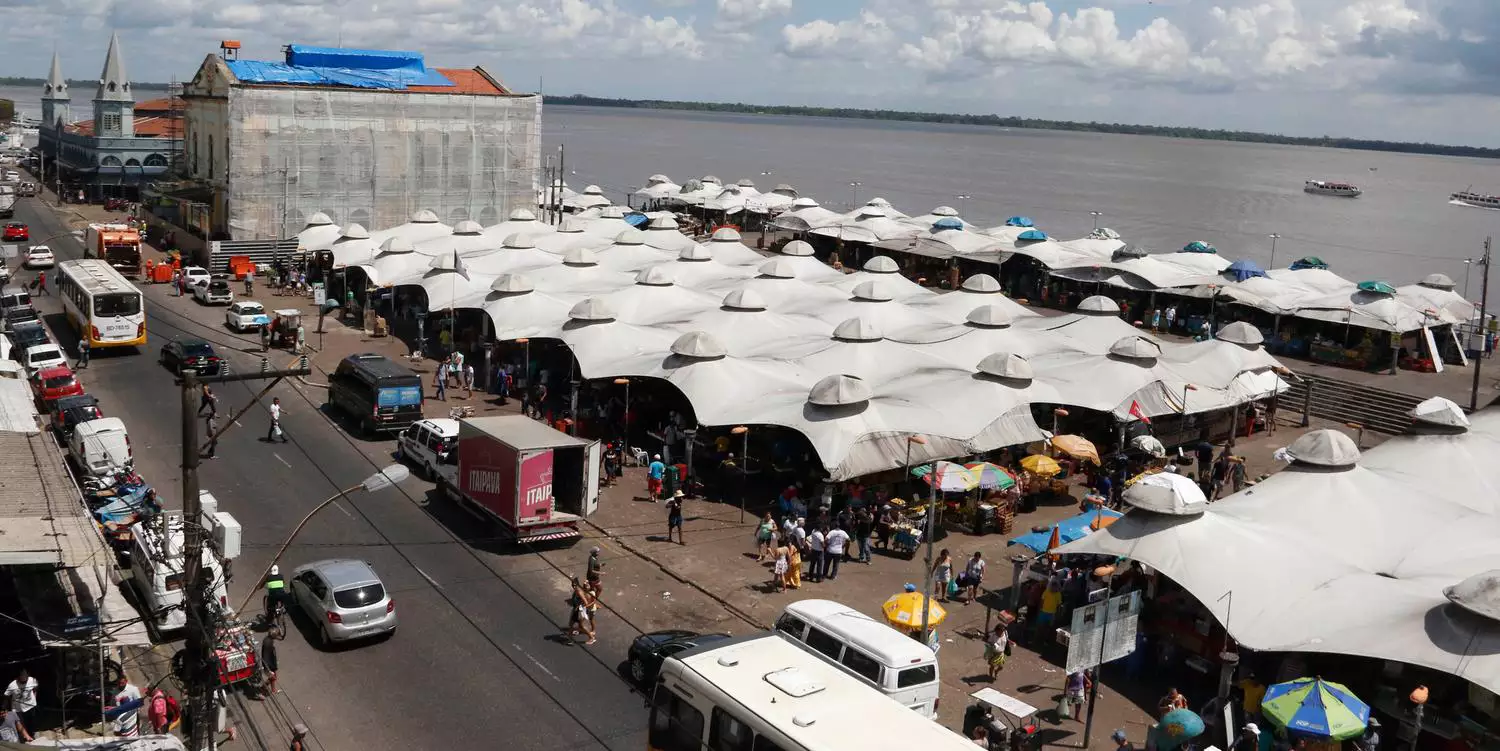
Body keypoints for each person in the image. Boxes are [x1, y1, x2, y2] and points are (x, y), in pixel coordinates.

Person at [4, 669, 38, 734]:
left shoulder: (32, 680)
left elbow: (35, 688)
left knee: (31, 723)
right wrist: (6, 708)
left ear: (28, 675)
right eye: (22, 675)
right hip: (18, 709)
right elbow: (6, 696)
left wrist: (34, 698)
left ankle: (31, 736)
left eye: (25, 675)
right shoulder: (12, 685)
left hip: (31, 706)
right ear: (18, 676)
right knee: (21, 725)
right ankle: (24, 738)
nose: (24, 676)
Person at [261, 626, 281, 697]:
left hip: (271, 663)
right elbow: (266, 657)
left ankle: (273, 690)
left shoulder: (268, 640)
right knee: (273, 677)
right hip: (269, 665)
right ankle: (263, 689)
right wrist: (269, 669)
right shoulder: (268, 643)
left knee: (273, 677)